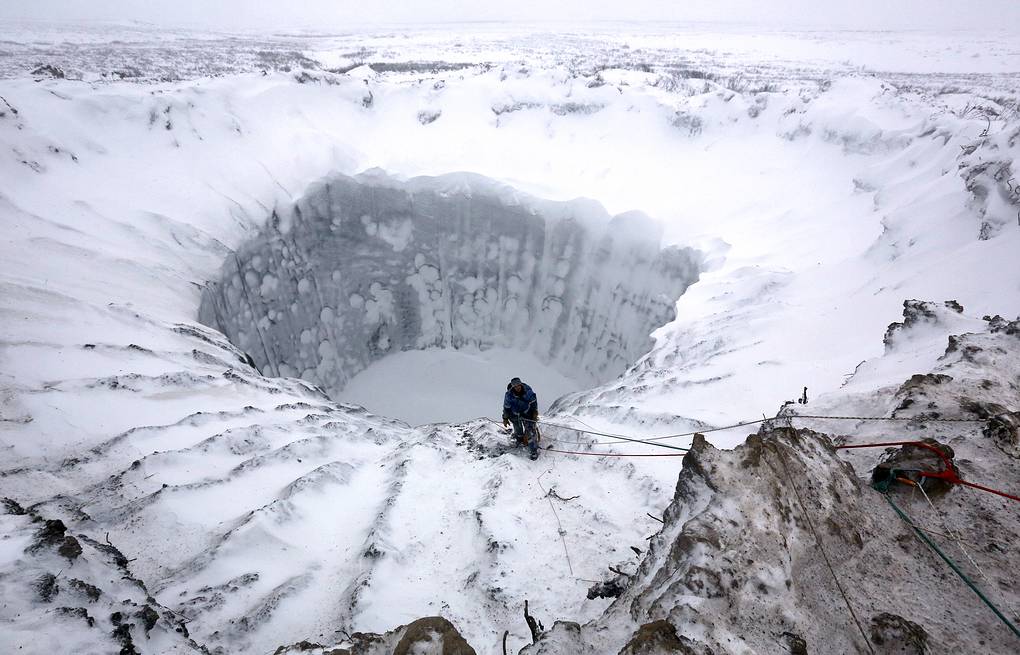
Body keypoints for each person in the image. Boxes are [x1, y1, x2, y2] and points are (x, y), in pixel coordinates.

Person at [503, 377, 539, 460]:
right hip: (515, 414)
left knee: (530, 431)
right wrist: (505, 418)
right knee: (518, 429)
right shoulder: (509, 395)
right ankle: (519, 440)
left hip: (528, 413)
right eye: (515, 386)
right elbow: (506, 407)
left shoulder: (528, 392)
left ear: (521, 384)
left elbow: (534, 403)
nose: (517, 387)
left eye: (518, 385)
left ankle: (533, 450)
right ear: (513, 387)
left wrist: (535, 412)